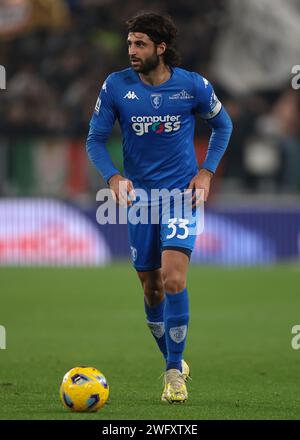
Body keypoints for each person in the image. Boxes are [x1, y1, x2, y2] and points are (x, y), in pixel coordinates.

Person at [86, 12, 232, 404]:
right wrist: (113, 177)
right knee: (151, 290)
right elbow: (95, 140)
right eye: (130, 43)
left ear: (160, 48)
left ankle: (173, 374)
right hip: (140, 201)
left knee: (173, 280)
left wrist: (206, 173)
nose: (131, 50)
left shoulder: (192, 86)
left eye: (140, 44)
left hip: (181, 197)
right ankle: (173, 359)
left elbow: (224, 125)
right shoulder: (116, 86)